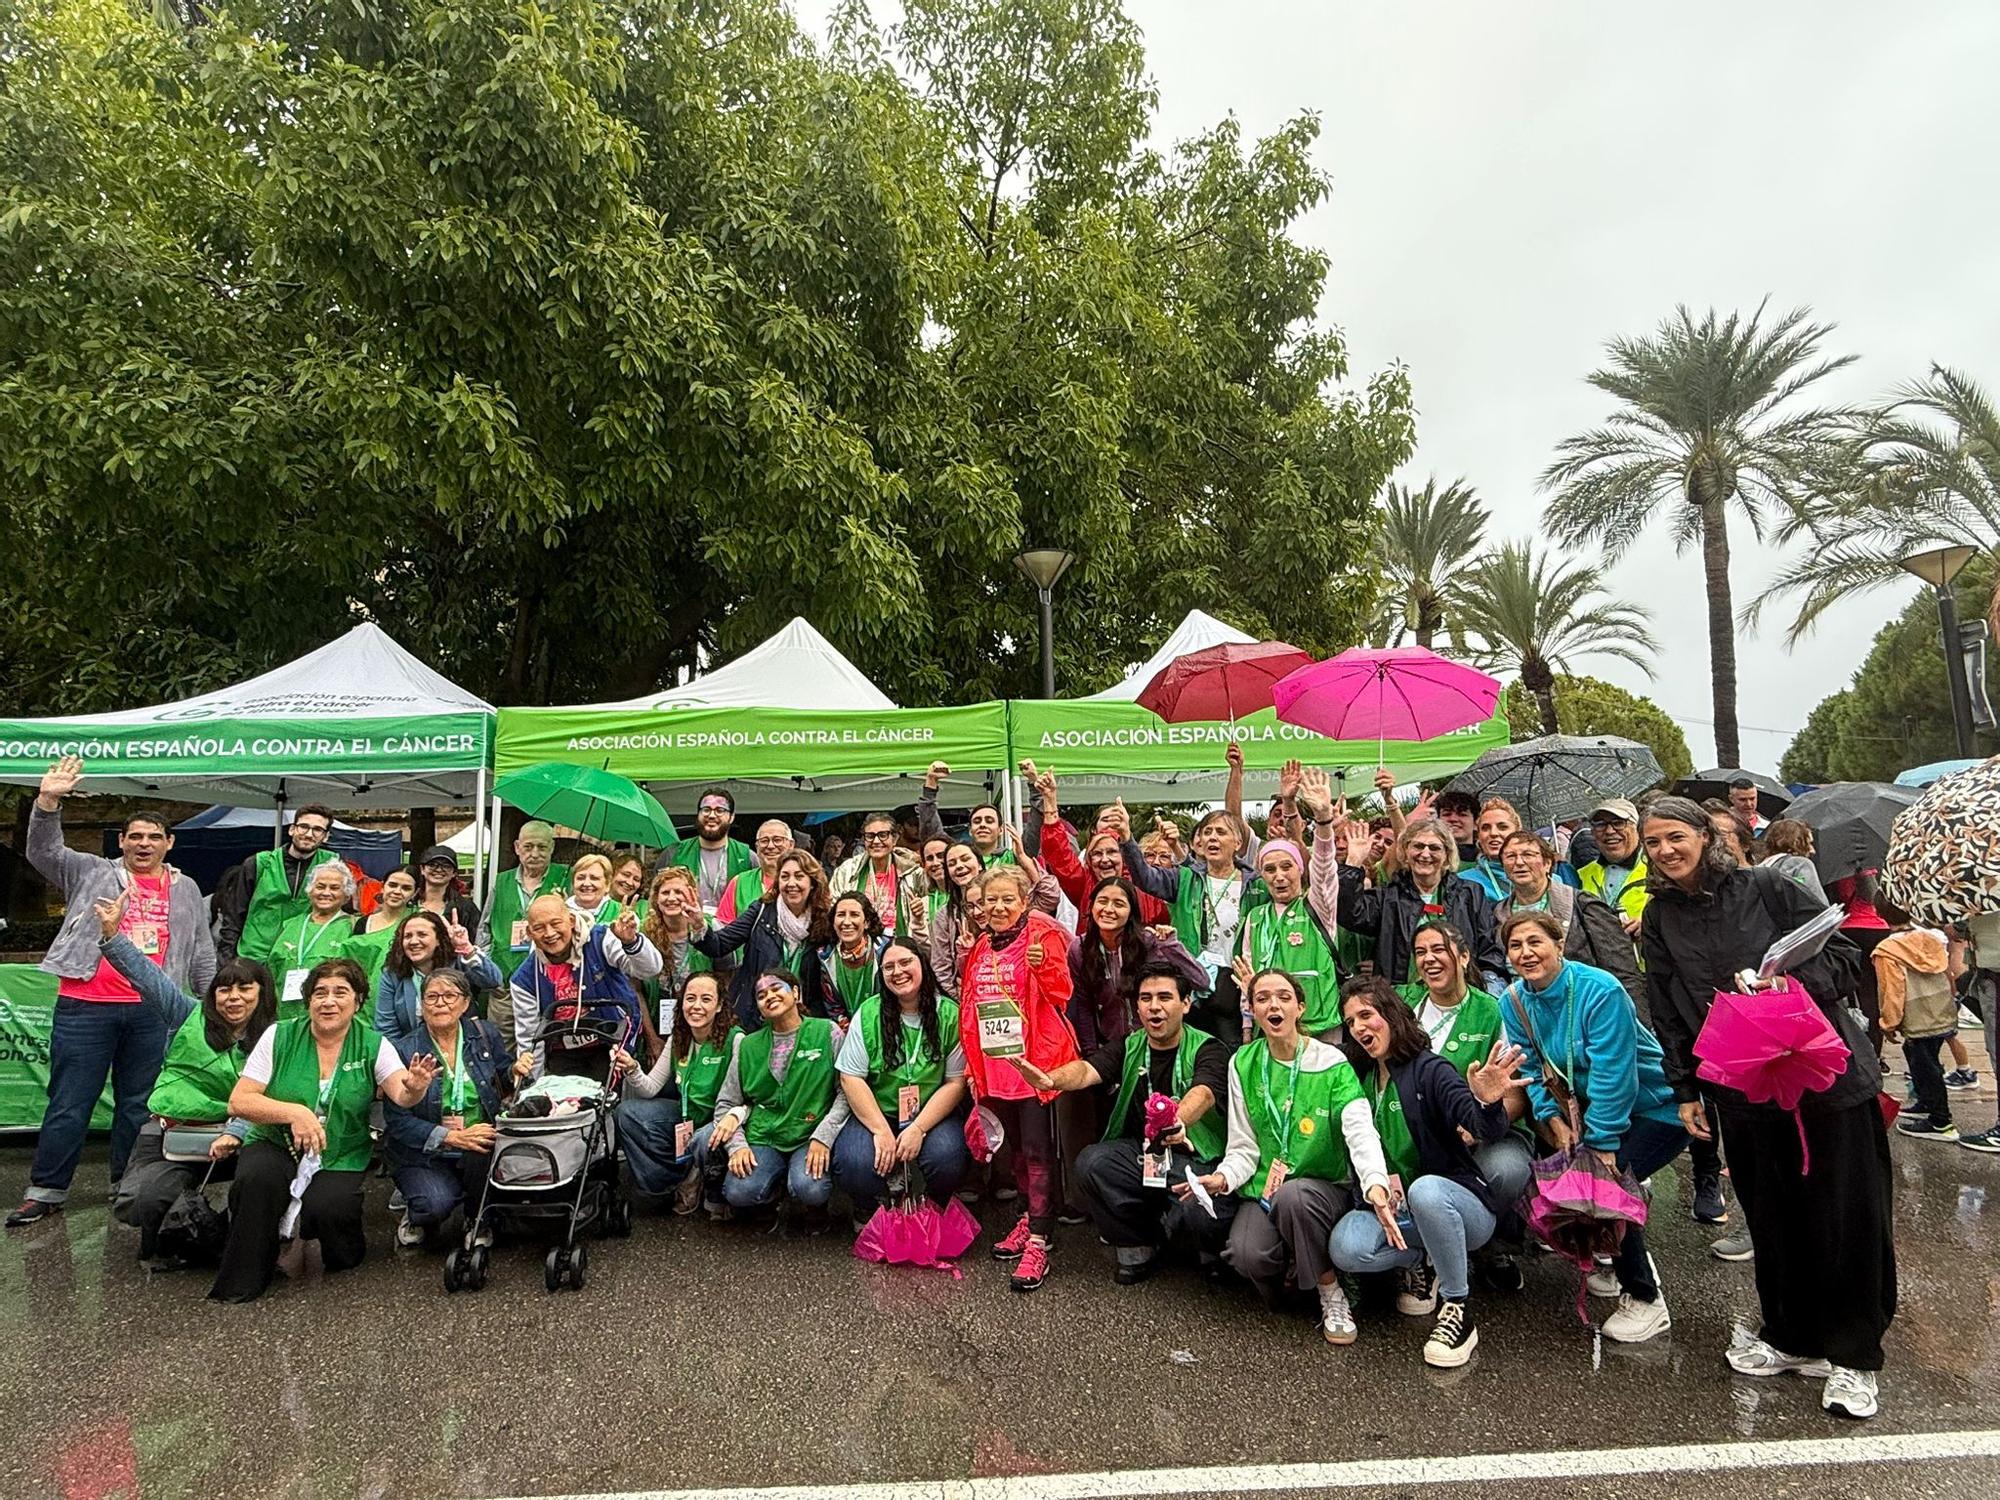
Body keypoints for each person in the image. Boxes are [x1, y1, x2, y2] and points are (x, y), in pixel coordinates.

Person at [1640, 796, 1891, 1419]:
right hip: (1740, 1084)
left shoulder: (1771, 887)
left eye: (1676, 836)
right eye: (1653, 843)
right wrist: (1688, 1089)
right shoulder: (1658, 917)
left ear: (1704, 834)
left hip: (1824, 1075)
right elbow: (1670, 1009)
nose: (1665, 851)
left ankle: (1855, 1356)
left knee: (1844, 1214)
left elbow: (1842, 958)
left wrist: (1788, 984)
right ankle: (1791, 1335)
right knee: (1773, 1215)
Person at [9, 757, 216, 1228]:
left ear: (169, 844)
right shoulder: (91, 872)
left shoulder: (185, 889)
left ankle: (127, 1184)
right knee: (69, 1102)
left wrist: (209, 1011)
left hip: (152, 1012)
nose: (144, 844)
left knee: (138, 1104)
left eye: (153, 837)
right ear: (121, 842)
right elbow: (44, 853)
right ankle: (46, 1190)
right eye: (135, 837)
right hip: (86, 1005)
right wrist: (48, 801)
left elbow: (201, 951)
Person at [1501, 910, 1688, 1344]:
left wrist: (1601, 1143)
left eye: (1535, 942)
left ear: (1558, 944)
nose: (1526, 953)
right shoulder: (1512, 1001)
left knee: (1612, 1181)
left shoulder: (1600, 991)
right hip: (1586, 1111)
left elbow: (1614, 1073)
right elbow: (1529, 1068)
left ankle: (1645, 1297)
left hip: (1657, 1106)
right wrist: (1552, 1120)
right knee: (1594, 1182)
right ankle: (1616, 1254)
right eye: (1516, 946)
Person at [1180, 966, 1391, 1343]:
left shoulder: (1331, 1062)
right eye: (1262, 998)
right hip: (1266, 1189)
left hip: (1322, 1188)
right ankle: (1297, 1271)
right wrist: (1224, 1177)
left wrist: (1375, 1181)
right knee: (1247, 1256)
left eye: (1283, 997)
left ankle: (1330, 1290)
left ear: (1300, 1008)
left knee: (1295, 1197)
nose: (1272, 1005)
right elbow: (1243, 1145)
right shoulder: (1242, 1062)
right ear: (1253, 1011)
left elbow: (1360, 1127)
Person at [210, 957, 435, 1301]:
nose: (329, 1001)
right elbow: (239, 1102)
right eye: (320, 993)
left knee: (330, 1212)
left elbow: (402, 1095)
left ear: (358, 1000)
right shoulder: (278, 1035)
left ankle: (338, 1243)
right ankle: (243, 1281)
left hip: (338, 1150)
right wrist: (295, 1112)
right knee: (256, 1180)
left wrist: (416, 1087)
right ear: (308, 1000)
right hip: (276, 1141)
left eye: (340, 992)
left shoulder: (374, 1044)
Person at [1327, 979, 1527, 1366]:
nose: (1358, 1028)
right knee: (1347, 1248)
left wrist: (1486, 1102)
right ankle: (1425, 1257)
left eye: (1366, 1015)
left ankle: (1457, 1308)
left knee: (1425, 1191)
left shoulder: (1430, 1069)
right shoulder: (1357, 1075)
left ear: (1392, 1014)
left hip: (1456, 1204)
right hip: (1396, 1212)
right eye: (1350, 1022)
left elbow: (1483, 1128)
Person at [1013, 962, 1235, 1284]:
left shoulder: (1210, 1047)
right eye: (1146, 999)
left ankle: (1203, 1247)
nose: (1154, 1007)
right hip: (1144, 1157)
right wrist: (1050, 1079)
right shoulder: (1131, 1045)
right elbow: (1087, 1070)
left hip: (1195, 1159)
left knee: (1200, 1213)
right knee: (1093, 1163)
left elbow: (1203, 1092)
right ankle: (1137, 1244)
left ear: (1186, 1004)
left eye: (1164, 997)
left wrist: (1177, 1121)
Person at [90, 891, 276, 1263]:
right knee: (139, 1203)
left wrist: (236, 1131)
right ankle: (172, 1227)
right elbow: (148, 978)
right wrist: (113, 935)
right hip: (174, 1134)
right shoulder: (186, 1015)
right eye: (225, 989)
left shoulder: (279, 1035)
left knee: (263, 1183)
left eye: (245, 988)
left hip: (245, 1136)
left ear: (262, 993)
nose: (233, 997)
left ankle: (237, 1240)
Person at [961, 865, 1079, 1292]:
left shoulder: (1041, 935)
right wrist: (974, 1067)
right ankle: (1028, 1216)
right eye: (991, 899)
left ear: (1024, 901)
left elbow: (1063, 993)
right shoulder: (980, 945)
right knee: (1013, 1149)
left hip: (1034, 1065)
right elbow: (971, 1007)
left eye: (1008, 899)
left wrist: (1044, 965)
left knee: (1037, 1149)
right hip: (996, 1064)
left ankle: (1041, 1240)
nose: (998, 906)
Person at [833, 940, 970, 1216]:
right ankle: (871, 1206)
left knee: (948, 1157)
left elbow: (955, 1083)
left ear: (922, 964)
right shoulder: (869, 1013)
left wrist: (918, 1128)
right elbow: (851, 1078)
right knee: (853, 1161)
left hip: (930, 1115)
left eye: (906, 962)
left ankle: (933, 1204)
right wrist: (881, 1130)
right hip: (877, 1112)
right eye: (889, 967)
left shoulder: (949, 1014)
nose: (898, 972)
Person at [383, 969, 516, 1247]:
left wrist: (516, 1071)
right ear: (421, 1005)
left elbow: (504, 1080)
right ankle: (417, 1209)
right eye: (432, 997)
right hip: (425, 1152)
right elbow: (397, 1121)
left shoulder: (484, 1034)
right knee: (434, 1205)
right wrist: (451, 1137)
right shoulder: (404, 1050)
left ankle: (477, 1218)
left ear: (466, 1003)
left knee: (484, 1144)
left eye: (449, 996)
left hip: (478, 1141)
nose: (440, 1003)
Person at [707, 969, 849, 1224]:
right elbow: (726, 1103)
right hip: (764, 1136)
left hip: (809, 1133)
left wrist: (824, 1137)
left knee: (811, 1188)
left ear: (796, 993)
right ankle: (771, 1198)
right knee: (738, 1191)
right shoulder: (747, 1045)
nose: (769, 996)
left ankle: (810, 1203)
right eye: (761, 995)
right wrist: (737, 1146)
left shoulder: (828, 1032)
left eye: (776, 988)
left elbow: (846, 1093)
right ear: (759, 1008)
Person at [1233, 767, 1346, 1039]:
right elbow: (1246, 972)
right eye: (1270, 870)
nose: (1279, 876)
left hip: (1319, 1026)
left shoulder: (1318, 904)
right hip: (1270, 1027)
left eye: (1287, 867)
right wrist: (1248, 1025)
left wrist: (1323, 821)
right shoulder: (1255, 918)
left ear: (1299, 870)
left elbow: (1323, 866)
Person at [1339, 816, 1507, 994]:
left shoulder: (1470, 894)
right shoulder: (1388, 897)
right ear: (1405, 851)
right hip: (1402, 1002)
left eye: (1434, 848)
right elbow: (1349, 913)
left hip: (1462, 996)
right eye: (1418, 846)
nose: (1425, 854)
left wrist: (1488, 988)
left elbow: (1489, 948)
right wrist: (1353, 863)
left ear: (1447, 855)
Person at [613, 971, 737, 1212]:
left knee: (707, 1136)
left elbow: (743, 1098)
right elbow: (649, 1089)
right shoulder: (678, 1039)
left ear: (720, 1005)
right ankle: (672, 1181)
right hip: (685, 1116)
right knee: (627, 1113)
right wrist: (632, 1068)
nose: (696, 1006)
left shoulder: (736, 1040)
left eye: (706, 999)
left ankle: (709, 1179)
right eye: (690, 999)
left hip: (720, 1121)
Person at [509, 896, 662, 1084]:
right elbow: (530, 1037)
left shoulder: (602, 939)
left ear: (571, 921)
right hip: (563, 1048)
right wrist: (533, 1086)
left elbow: (651, 970)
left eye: (556, 923)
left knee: (604, 1097)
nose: (549, 933)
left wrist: (631, 942)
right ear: (529, 933)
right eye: (539, 928)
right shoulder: (523, 979)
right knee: (562, 1100)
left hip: (613, 1040)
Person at [1496, 830, 1645, 1013]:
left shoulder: (1583, 905)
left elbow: (1622, 970)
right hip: (1525, 1014)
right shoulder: (1497, 914)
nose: (1519, 862)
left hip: (1586, 1010)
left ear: (1547, 863)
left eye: (1528, 854)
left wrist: (1636, 1023)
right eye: (1510, 856)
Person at [693, 850, 834, 1030]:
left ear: (813, 883)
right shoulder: (761, 911)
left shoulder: (824, 921)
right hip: (756, 1017)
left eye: (799, 876)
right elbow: (719, 945)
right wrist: (699, 925)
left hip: (804, 1018)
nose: (791, 883)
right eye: (785, 876)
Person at [1876, 900, 1959, 1142]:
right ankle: (1926, 1102)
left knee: (1926, 1066)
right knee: (1925, 1058)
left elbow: (1892, 990)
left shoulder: (1887, 950)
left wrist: (1888, 1023)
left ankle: (1941, 1121)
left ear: (1880, 915)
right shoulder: (1931, 938)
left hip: (1916, 1013)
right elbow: (1947, 974)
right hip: (1940, 1009)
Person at [217, 802, 338, 963]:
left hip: (301, 957)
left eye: (318, 830)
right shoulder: (259, 863)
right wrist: (227, 962)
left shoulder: (332, 866)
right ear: (292, 829)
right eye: (303, 826)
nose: (309, 834)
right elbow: (233, 916)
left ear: (326, 836)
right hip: (254, 957)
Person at [373, 910, 505, 1050]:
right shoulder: (393, 974)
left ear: (438, 940)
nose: (414, 941)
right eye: (407, 936)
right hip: (413, 1053)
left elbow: (493, 980)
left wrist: (466, 948)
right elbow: (386, 1027)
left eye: (422, 935)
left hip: (466, 1049)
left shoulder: (457, 963)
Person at [265, 862, 358, 1017]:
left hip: (330, 1013)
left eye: (334, 888)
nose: (326, 893)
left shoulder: (353, 927)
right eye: (320, 886)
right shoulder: (290, 924)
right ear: (310, 890)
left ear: (347, 895)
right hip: (283, 1014)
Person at [475, 820, 570, 972]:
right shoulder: (501, 881)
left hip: (552, 972)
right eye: (528, 847)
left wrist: (567, 906)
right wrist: (488, 969)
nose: (535, 853)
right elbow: (484, 930)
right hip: (503, 973)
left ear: (552, 848)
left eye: (542, 847)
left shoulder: (567, 878)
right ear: (517, 847)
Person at [635, 866, 715, 1039]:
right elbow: (636, 989)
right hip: (656, 1024)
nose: (671, 898)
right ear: (656, 898)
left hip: (704, 1023)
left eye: (678, 892)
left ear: (692, 894)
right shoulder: (642, 933)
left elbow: (725, 976)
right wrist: (652, 1040)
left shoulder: (709, 928)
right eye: (665, 893)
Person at [830, 812, 931, 942]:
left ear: (894, 839)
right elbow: (833, 908)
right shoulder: (848, 870)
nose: (876, 841)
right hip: (859, 945)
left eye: (883, 835)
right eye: (870, 836)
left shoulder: (912, 871)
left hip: (900, 945)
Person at [659, 788, 756, 915]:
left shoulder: (748, 856)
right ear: (698, 814)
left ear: (731, 817)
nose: (711, 815)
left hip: (733, 931)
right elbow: (656, 895)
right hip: (685, 928)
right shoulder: (674, 853)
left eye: (720, 810)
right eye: (706, 809)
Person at [1574, 798, 1650, 942]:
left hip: (1646, 962)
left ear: (1637, 828)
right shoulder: (1580, 875)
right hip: (1596, 963)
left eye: (1618, 823)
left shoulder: (1657, 872)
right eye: (1600, 824)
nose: (1609, 831)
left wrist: (1650, 926)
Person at [817, 892, 890, 1024]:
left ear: (866, 922)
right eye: (840, 915)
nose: (846, 922)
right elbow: (832, 1006)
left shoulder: (885, 951)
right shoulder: (826, 957)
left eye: (854, 915)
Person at [928, 842, 987, 997]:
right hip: (964, 998)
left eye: (965, 859)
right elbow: (941, 967)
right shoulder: (944, 916)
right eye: (952, 864)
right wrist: (960, 1000)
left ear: (980, 864)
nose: (959, 866)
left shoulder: (1000, 902)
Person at [347, 865, 418, 991]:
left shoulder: (418, 921)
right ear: (383, 886)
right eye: (392, 885)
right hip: (365, 993)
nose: (397, 891)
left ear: (415, 893)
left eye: (406, 888)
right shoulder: (363, 923)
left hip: (405, 991)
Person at [716, 820, 795, 923]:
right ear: (757, 847)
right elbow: (722, 926)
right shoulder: (740, 882)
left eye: (777, 840)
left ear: (791, 845)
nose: (770, 846)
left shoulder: (804, 881)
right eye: (764, 841)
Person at [412, 845, 481, 934]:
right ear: (422, 869)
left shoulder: (466, 908)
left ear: (454, 873)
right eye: (432, 865)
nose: (439, 869)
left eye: (446, 866)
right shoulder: (408, 903)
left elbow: (476, 941)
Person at [1760, 819, 1829, 904]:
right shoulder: (1800, 864)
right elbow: (1819, 904)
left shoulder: (1759, 871)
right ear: (1796, 843)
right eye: (1809, 843)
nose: (1812, 850)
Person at [565, 852, 624, 929]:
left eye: (594, 878)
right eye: (581, 878)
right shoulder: (562, 910)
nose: (586, 883)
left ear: (607, 884)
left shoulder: (621, 912)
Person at [1434, 790, 1480, 866]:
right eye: (1447, 814)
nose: (1453, 819)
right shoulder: (1425, 857)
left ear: (1476, 823)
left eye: (1462, 814)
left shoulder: (1490, 860)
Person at [610, 855, 649, 921]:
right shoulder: (596, 901)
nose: (630, 882)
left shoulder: (643, 907)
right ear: (612, 873)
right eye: (626, 875)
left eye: (636, 879)